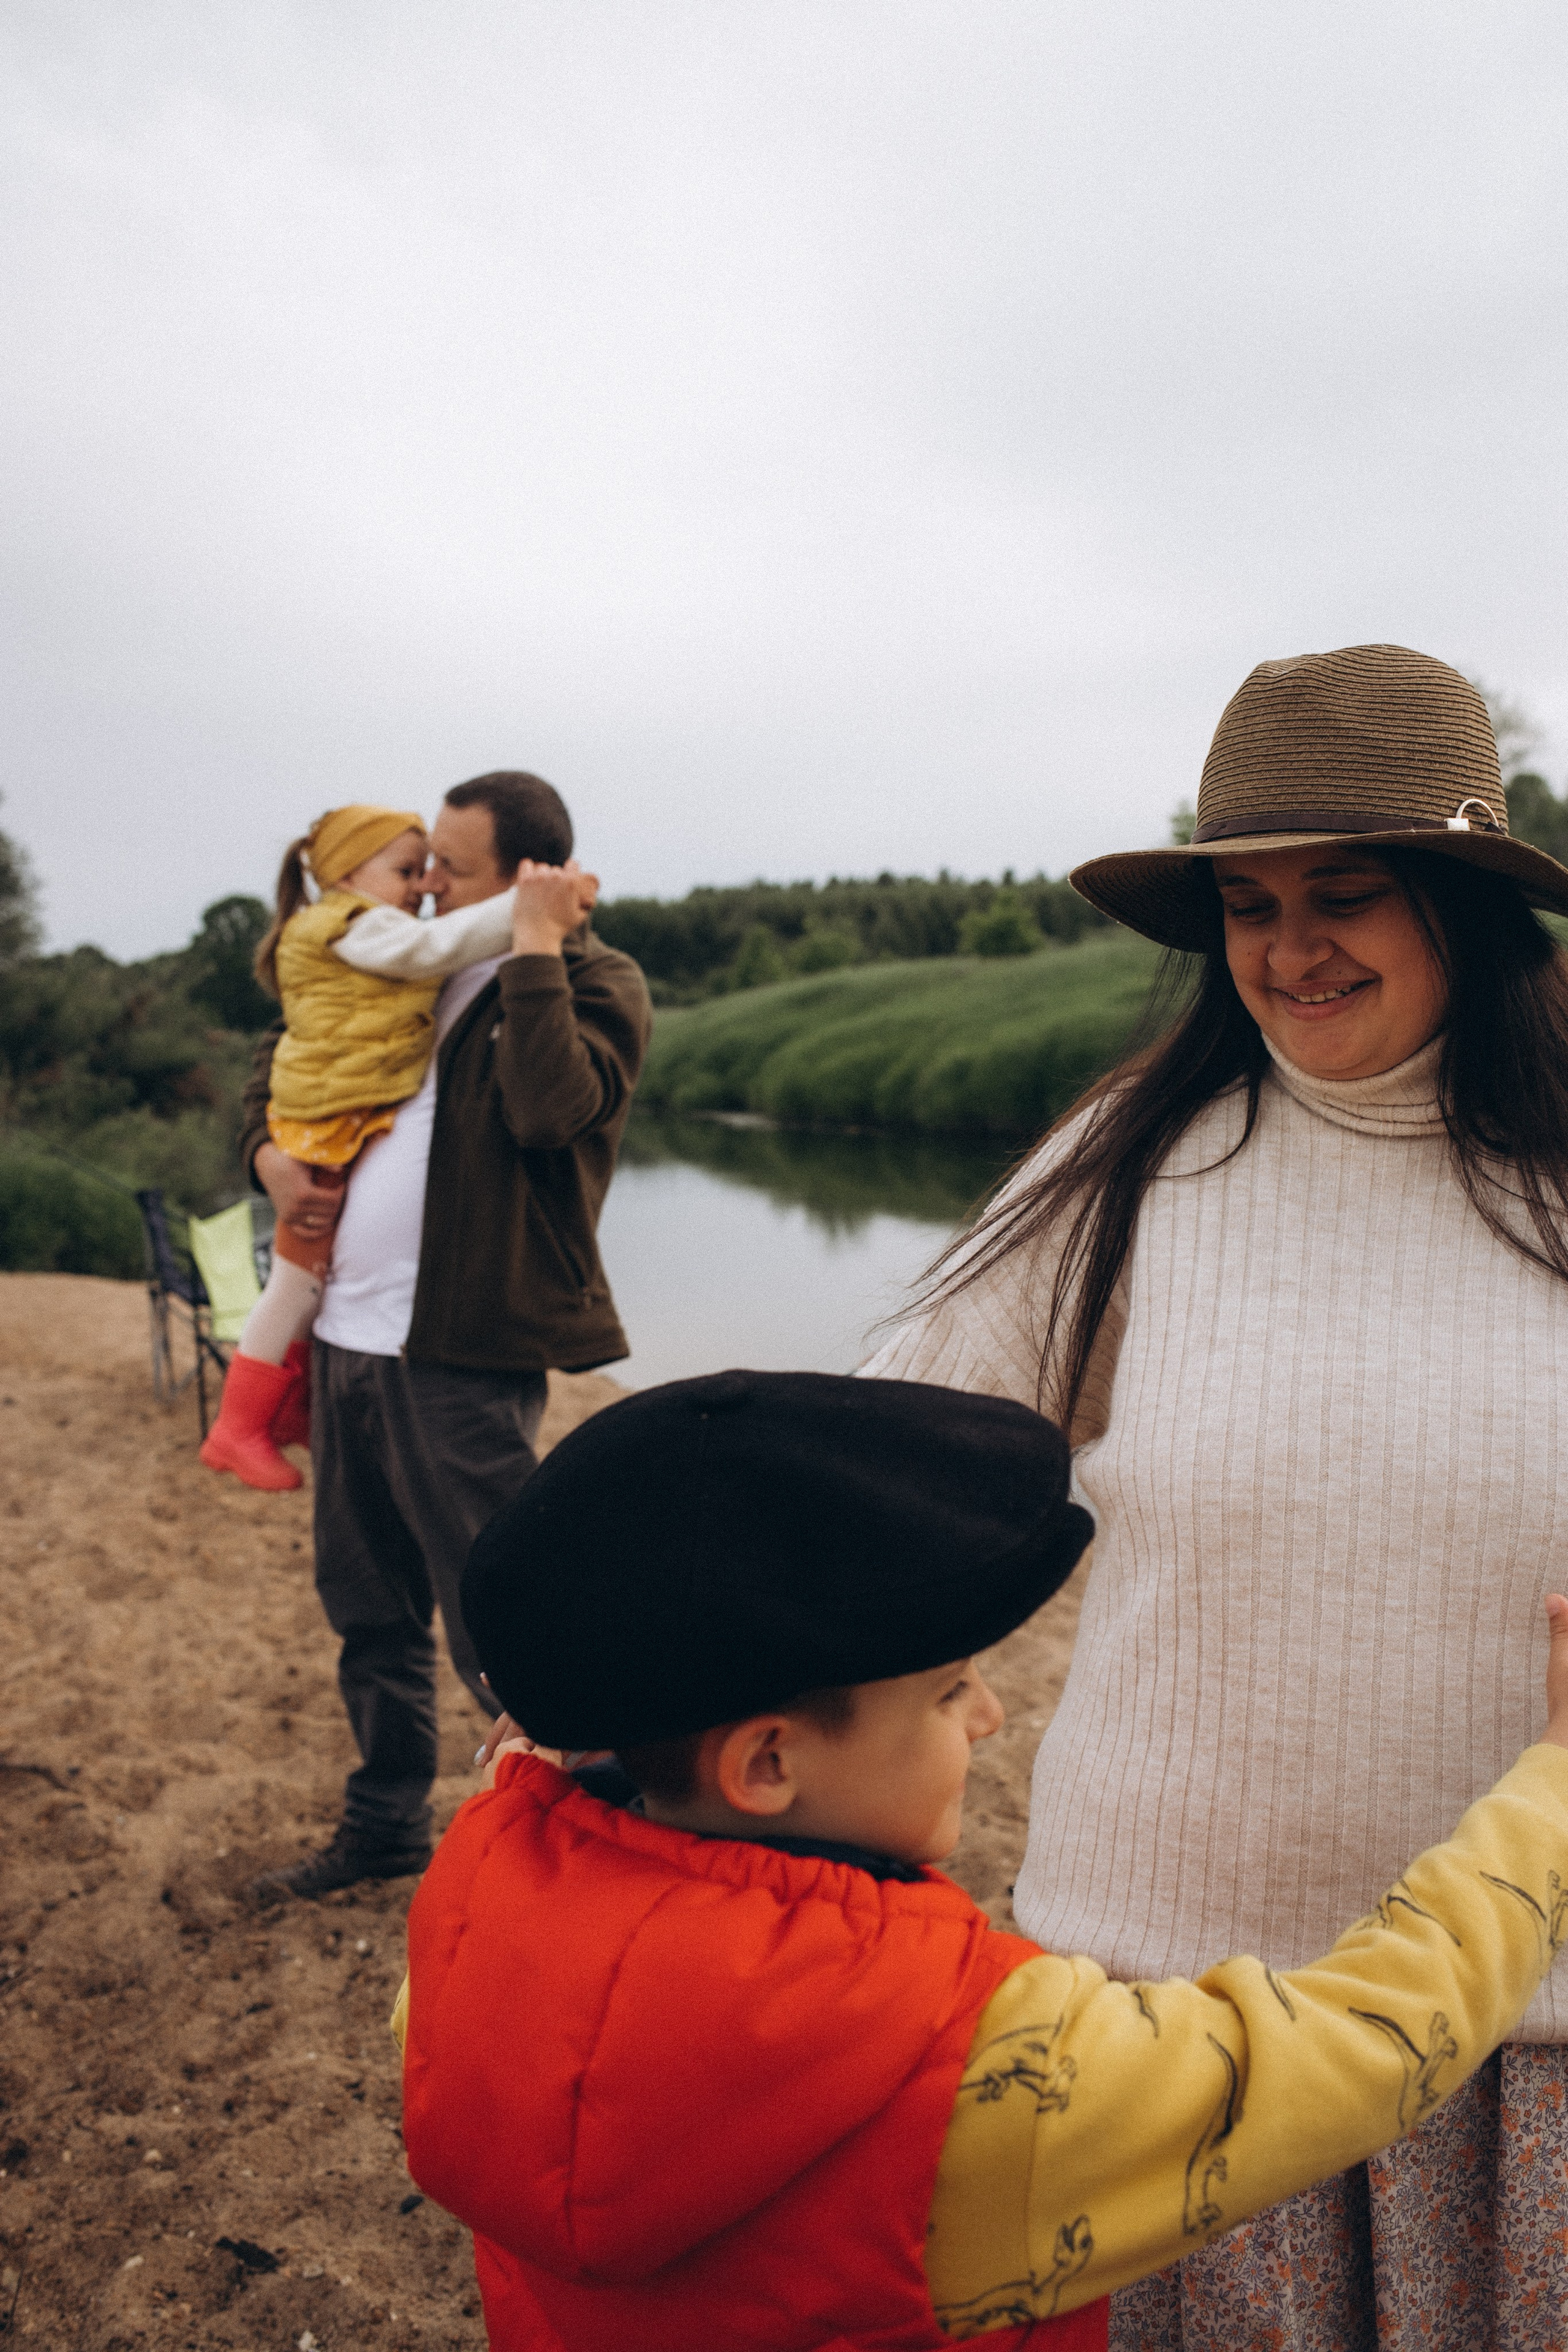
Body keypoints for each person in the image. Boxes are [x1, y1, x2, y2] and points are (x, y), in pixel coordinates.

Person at [864, 644, 1568, 2347]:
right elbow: (879, 1471)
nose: (1287, 950)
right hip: (1182, 2035)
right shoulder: (1125, 1167)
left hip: (1529, 2030)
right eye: (1248, 905)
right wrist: (633, 1686)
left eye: (1344, 895)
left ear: (1465, 907)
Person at [393, 1368, 1568, 2352]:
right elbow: (1371, 2041)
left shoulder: (469, 1935)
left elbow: (542, 1790)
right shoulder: (981, 2066)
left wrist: (582, 1701)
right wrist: (1556, 1776)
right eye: (950, 1691)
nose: (992, 1715)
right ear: (767, 1763)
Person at [241, 770, 651, 1902]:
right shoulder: (404, 966)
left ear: (529, 874)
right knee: (367, 1610)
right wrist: (268, 1160)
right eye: (422, 869)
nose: (426, 891)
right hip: (346, 1340)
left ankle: (600, 1853)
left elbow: (547, 1110)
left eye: (452, 872)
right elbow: (286, 1062)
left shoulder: (598, 980)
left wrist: (533, 948)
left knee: (504, 1622)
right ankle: (384, 1828)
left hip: (463, 1354)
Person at [200, 802, 521, 1493]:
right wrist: (532, 906)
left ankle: (281, 1412)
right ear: (348, 875)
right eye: (407, 871)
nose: (423, 888)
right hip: (321, 1127)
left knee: (306, 1283)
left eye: (436, 869)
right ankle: (238, 1425)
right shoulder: (356, 927)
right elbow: (430, 951)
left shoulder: (354, 929)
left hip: (337, 1142)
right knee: (296, 1282)